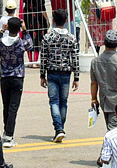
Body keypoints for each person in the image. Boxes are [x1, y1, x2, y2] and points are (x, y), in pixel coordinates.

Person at [39, 8, 80, 143]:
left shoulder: (48, 37)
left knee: (54, 101)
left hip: (52, 72)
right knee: (63, 102)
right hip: (66, 73)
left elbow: (44, 57)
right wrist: (77, 77)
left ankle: (59, 128)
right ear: (66, 21)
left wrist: (42, 74)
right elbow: (75, 58)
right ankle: (60, 127)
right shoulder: (71, 38)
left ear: (53, 20)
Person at [0, 17, 31, 148]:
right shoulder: (20, 43)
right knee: (13, 107)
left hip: (5, 76)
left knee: (6, 105)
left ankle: (6, 131)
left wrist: (1, 31)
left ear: (7, 27)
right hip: (17, 76)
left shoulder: (2, 42)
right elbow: (30, 44)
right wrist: (25, 30)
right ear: (19, 29)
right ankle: (9, 135)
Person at [19, 0, 48, 64]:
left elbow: (22, 2)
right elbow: (42, 6)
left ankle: (30, 60)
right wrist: (47, 19)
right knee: (37, 38)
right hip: (37, 17)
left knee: (28, 36)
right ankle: (35, 61)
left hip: (27, 15)